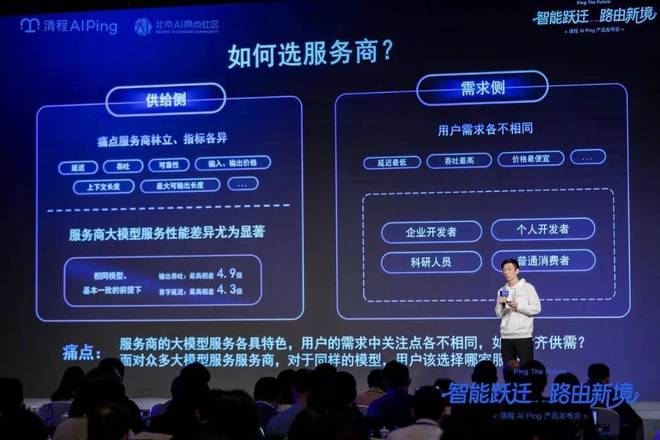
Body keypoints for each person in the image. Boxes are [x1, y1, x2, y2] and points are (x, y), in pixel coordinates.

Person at [495, 258, 541, 364]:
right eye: (504, 270)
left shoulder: (528, 287)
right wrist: (502, 304)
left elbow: (537, 308)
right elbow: (498, 314)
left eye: (509, 269)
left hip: (523, 336)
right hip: (506, 336)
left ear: (517, 271)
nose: (506, 272)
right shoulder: (502, 290)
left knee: (526, 368)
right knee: (509, 369)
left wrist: (518, 306)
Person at [366, 360, 414, 431]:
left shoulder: (376, 405)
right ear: (408, 381)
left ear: (384, 382)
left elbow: (370, 431)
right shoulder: (418, 404)